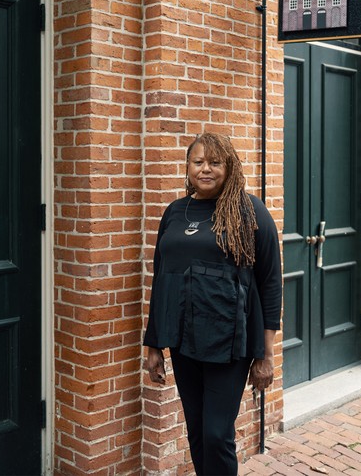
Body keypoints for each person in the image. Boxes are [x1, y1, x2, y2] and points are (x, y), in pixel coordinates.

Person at [143, 132, 282, 475]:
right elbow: (161, 280)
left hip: (229, 344)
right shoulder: (175, 212)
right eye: (198, 162)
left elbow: (270, 284)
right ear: (188, 167)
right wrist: (153, 345)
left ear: (229, 166)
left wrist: (265, 355)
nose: (205, 169)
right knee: (197, 432)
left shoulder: (250, 211)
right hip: (183, 341)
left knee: (217, 434)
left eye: (215, 162)